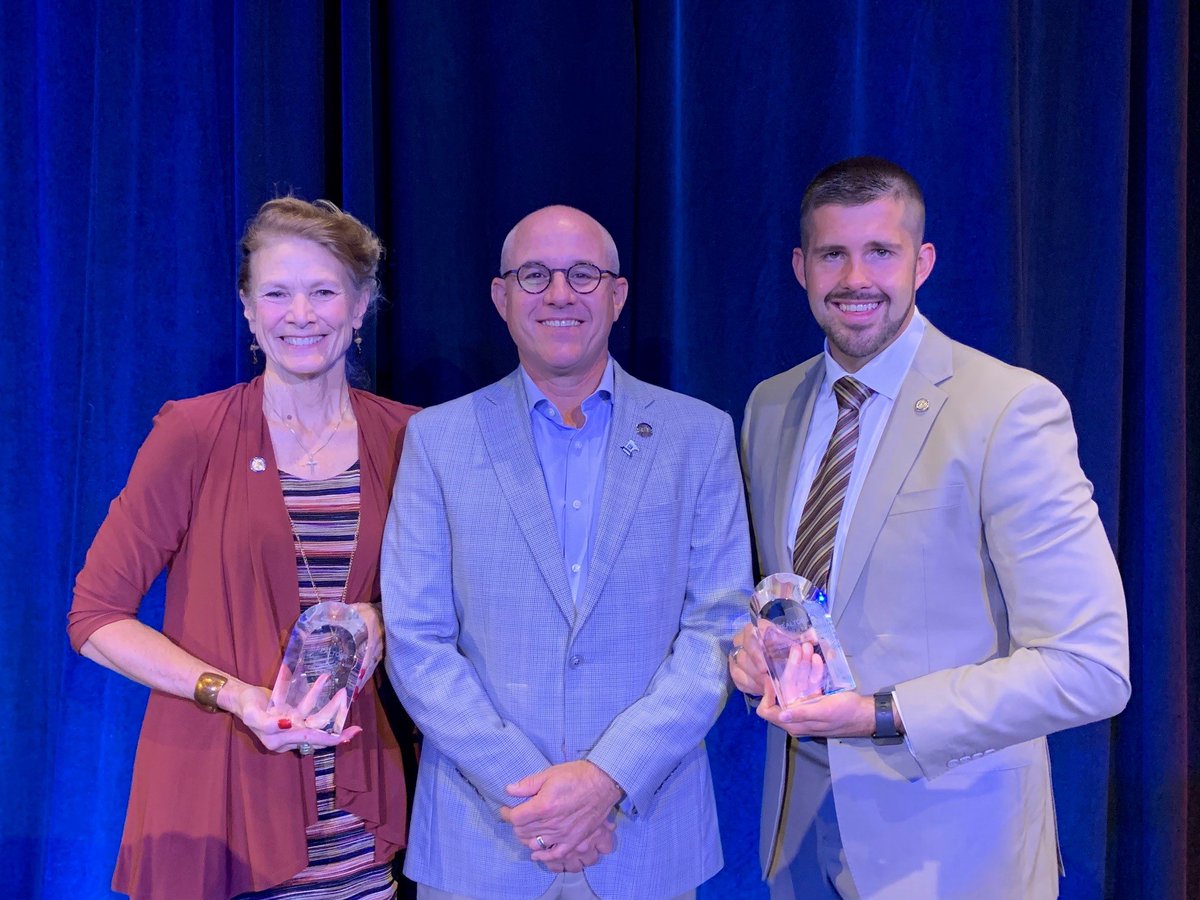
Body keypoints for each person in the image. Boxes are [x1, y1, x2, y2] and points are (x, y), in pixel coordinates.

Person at [730, 157, 1131, 899]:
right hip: (800, 843)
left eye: (881, 251)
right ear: (800, 267)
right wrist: (752, 652)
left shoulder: (1008, 409)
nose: (856, 278)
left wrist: (880, 715)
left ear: (924, 262)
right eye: (832, 254)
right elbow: (787, 594)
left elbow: (1090, 668)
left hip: (955, 853)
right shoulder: (769, 406)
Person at [380, 205, 750, 899]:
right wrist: (537, 797)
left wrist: (607, 778)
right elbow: (416, 639)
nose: (559, 294)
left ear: (617, 294)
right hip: (485, 839)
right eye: (534, 275)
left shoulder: (698, 437)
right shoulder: (437, 440)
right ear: (501, 296)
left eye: (583, 274)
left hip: (643, 840)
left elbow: (718, 627)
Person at [68, 197, 418, 899]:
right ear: (249, 311)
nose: (300, 314)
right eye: (277, 294)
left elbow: (458, 609)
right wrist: (232, 696)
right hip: (215, 804)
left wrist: (384, 620)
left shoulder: (411, 438)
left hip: (350, 815)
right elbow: (95, 618)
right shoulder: (193, 433)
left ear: (360, 306)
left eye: (324, 292)